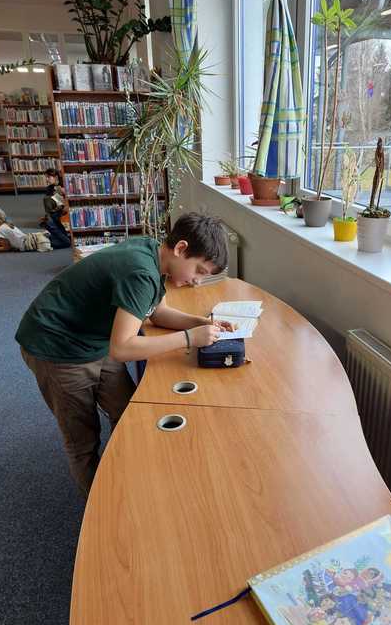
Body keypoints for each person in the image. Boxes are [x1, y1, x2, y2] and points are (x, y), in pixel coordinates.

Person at [16, 212, 232, 497]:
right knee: (82, 439)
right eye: (199, 271)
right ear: (180, 249)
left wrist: (202, 323)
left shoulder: (155, 255)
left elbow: (158, 313)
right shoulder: (140, 273)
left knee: (130, 415)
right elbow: (123, 349)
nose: (197, 282)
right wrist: (190, 338)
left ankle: (126, 478)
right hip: (56, 346)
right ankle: (102, 509)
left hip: (95, 338)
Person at [42, 168, 71, 249]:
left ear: (56, 177)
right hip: (54, 214)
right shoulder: (49, 188)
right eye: (46, 177)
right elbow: (49, 205)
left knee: (64, 240)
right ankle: (47, 240)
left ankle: (47, 240)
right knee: (66, 242)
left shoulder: (63, 187)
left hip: (60, 214)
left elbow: (67, 203)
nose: (47, 179)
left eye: (49, 177)